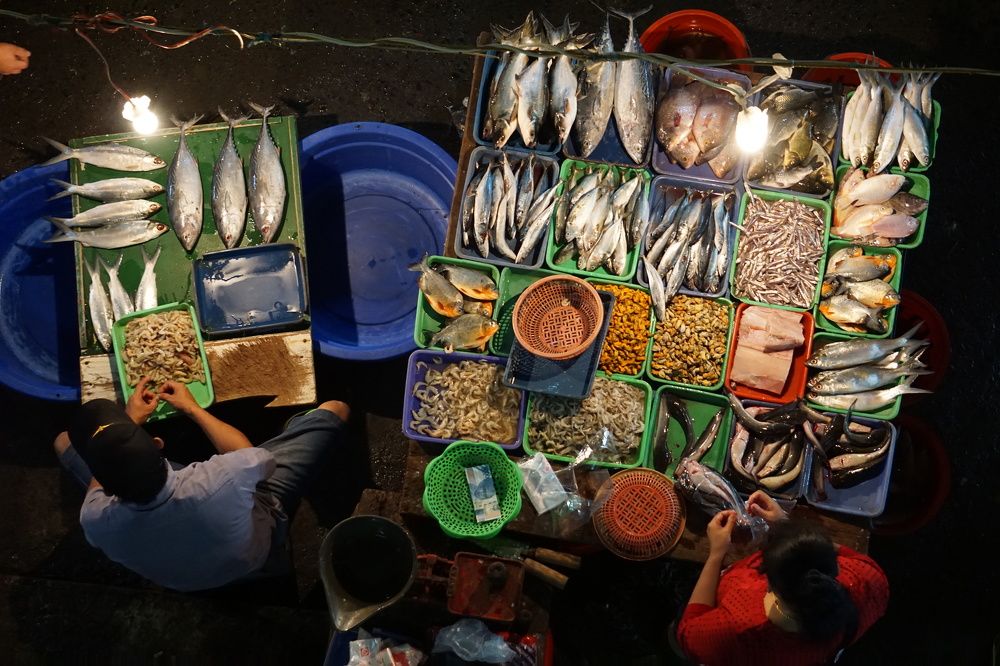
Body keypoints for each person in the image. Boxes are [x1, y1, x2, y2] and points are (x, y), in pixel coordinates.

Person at [53, 376, 350, 591]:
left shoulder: (95, 519)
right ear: (158, 444)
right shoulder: (221, 477)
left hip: (183, 582)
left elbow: (93, 481)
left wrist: (127, 426)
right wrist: (192, 408)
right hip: (254, 551)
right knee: (336, 409)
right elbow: (255, 460)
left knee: (63, 442)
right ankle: (296, 424)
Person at [676, 491, 889, 665]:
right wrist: (785, 525)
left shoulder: (738, 627)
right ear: (833, 566)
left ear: (769, 583)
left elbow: (689, 634)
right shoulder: (869, 580)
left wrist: (716, 554)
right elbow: (831, 552)